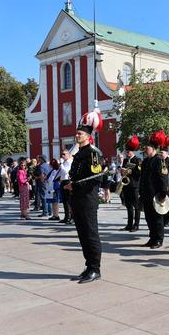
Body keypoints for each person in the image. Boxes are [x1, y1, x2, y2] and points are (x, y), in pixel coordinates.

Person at [64, 112, 105, 284]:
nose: (76, 135)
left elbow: (96, 178)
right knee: (82, 234)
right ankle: (88, 266)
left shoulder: (93, 153)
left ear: (88, 136)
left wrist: (75, 185)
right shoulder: (80, 152)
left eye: (80, 133)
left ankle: (95, 269)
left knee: (90, 234)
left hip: (87, 199)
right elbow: (76, 174)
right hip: (77, 199)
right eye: (77, 133)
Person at [139, 131, 169, 249]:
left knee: (157, 219)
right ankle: (152, 237)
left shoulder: (159, 161)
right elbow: (143, 179)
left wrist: (163, 194)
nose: (145, 150)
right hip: (146, 194)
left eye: (147, 148)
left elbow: (163, 178)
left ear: (153, 149)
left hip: (156, 195)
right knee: (149, 218)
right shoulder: (146, 161)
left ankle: (158, 239)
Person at [120, 136, 142, 231]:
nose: (127, 153)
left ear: (132, 152)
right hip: (126, 185)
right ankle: (129, 224)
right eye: (126, 152)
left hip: (134, 185)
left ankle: (136, 224)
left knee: (136, 206)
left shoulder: (137, 160)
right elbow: (124, 172)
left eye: (128, 152)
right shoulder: (125, 160)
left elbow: (139, 173)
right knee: (128, 205)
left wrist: (130, 172)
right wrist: (122, 171)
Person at [159, 137, 169, 227]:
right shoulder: (159, 161)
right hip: (160, 185)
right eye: (160, 152)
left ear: (167, 153)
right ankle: (162, 219)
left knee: (168, 203)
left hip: (168, 185)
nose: (160, 154)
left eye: (162, 152)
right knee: (161, 203)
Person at [59, 149, 74, 224]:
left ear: (68, 154)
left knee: (69, 201)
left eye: (64, 154)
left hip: (68, 181)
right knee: (65, 201)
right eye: (62, 154)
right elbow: (61, 173)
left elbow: (66, 171)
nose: (62, 156)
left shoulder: (69, 162)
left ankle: (71, 217)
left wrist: (61, 164)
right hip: (63, 181)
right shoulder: (64, 163)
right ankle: (66, 217)